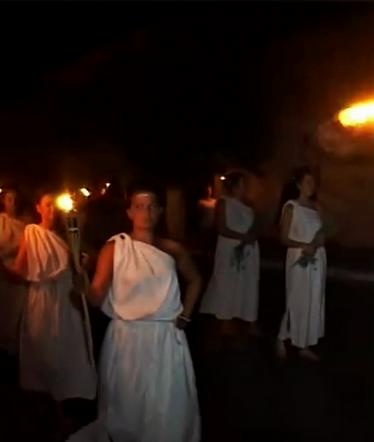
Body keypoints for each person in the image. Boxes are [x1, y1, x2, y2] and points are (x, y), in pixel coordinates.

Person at [68, 185, 201, 442]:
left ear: (160, 211)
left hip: (165, 338)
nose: (146, 212)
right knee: (127, 406)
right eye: (139, 206)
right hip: (127, 339)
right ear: (130, 212)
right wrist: (83, 286)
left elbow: (195, 280)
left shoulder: (172, 248)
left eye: (151, 206)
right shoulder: (115, 247)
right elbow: (96, 297)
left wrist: (186, 315)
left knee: (166, 406)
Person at [1, 190, 96, 436]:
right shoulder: (32, 233)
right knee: (45, 353)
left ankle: (65, 408)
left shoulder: (66, 236)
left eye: (55, 206)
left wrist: (81, 264)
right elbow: (21, 270)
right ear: (38, 208)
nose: (52, 211)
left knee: (67, 352)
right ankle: (48, 412)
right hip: (43, 301)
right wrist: (4, 268)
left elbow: (80, 267)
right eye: (47, 206)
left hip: (66, 300)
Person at [199, 171, 260, 336]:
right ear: (233, 186)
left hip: (248, 249)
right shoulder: (224, 203)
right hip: (229, 247)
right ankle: (225, 320)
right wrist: (242, 237)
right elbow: (222, 228)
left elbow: (255, 223)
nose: (243, 187)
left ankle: (250, 321)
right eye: (241, 184)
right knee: (227, 282)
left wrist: (251, 236)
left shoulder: (249, 204)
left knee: (248, 283)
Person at [276, 167, 327, 361]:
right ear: (298, 184)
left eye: (313, 182)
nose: (311, 186)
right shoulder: (291, 207)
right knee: (296, 298)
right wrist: (305, 245)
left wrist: (318, 242)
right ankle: (282, 337)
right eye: (307, 182)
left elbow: (323, 232)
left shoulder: (317, 208)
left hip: (317, 258)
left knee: (313, 299)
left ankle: (303, 343)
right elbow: (283, 238)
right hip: (299, 258)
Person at [0, 188, 27, 355]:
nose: (13, 203)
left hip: (19, 278)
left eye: (15, 199)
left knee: (17, 318)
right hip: (2, 275)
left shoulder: (24, 225)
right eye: (9, 199)